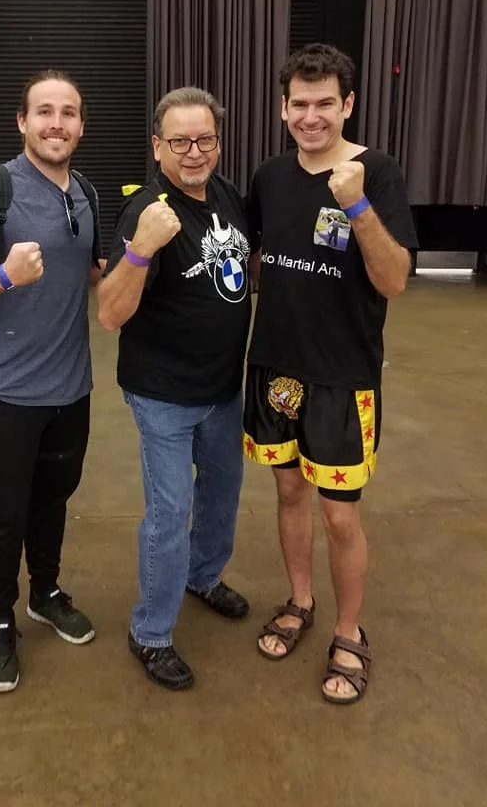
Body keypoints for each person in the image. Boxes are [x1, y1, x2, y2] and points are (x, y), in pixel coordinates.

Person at [244, 43, 418, 704]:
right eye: (299, 104)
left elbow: (394, 280)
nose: (311, 117)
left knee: (340, 517)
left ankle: (349, 631)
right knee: (289, 494)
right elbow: (254, 258)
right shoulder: (269, 176)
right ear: (282, 107)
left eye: (325, 103)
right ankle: (300, 600)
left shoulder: (378, 171)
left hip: (343, 376)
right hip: (275, 368)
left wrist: (358, 205)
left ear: (348, 104)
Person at [0, 70, 102, 693]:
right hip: (2, 391)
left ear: (80, 125)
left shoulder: (84, 192)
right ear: (22, 122)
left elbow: (90, 275)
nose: (57, 123)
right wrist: (4, 275)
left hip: (71, 387)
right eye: (45, 111)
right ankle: (0, 619)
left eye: (68, 112)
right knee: (4, 515)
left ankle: (45, 592)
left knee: (53, 500)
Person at [97, 86, 252, 690]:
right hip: (163, 394)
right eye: (180, 141)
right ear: (158, 146)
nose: (194, 152)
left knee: (221, 496)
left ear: (218, 142)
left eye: (205, 139)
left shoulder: (228, 195)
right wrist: (141, 250)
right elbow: (110, 314)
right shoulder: (146, 211)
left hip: (224, 388)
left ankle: (203, 576)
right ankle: (151, 632)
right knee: (170, 512)